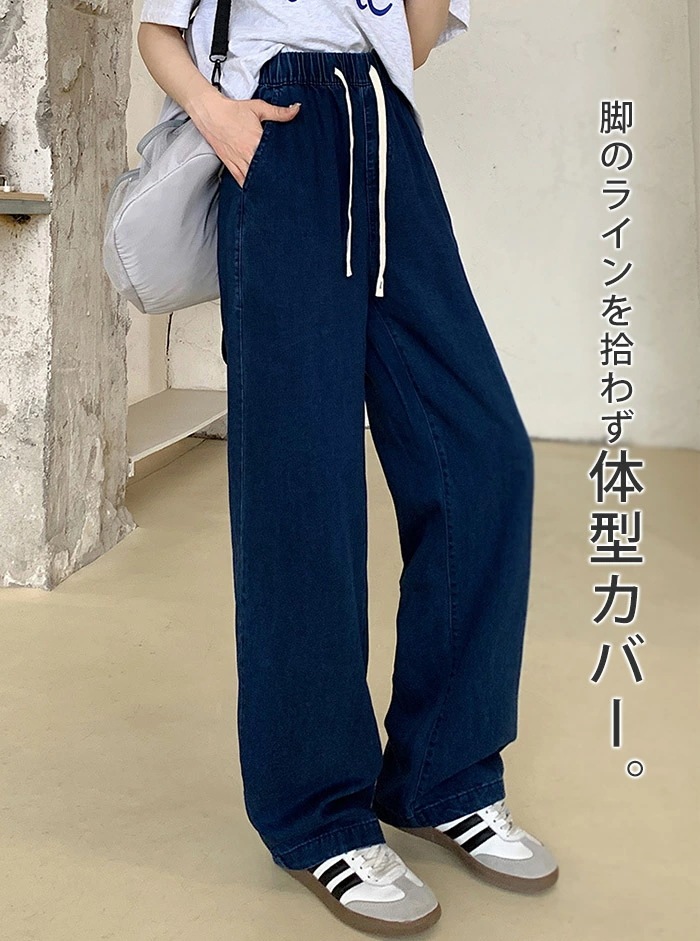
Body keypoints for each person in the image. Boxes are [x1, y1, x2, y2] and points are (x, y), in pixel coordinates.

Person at [137, 1, 559, 934]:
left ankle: (445, 774)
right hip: (279, 131)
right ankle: (318, 813)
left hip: (386, 131)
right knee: (304, 484)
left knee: (482, 456)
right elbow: (157, 32)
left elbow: (413, 39)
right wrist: (220, 117)